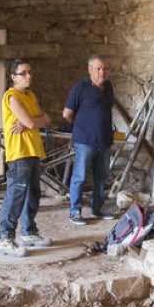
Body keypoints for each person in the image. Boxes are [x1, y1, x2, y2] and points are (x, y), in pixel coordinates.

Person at [0, 58, 53, 257]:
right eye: (23, 73)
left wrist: (31, 121)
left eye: (29, 72)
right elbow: (31, 122)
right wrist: (30, 122)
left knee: (33, 193)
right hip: (19, 152)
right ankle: (6, 237)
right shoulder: (12, 96)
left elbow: (46, 119)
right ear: (13, 77)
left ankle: (29, 232)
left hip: (33, 150)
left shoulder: (30, 95)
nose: (28, 76)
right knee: (16, 195)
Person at [63, 55, 115, 225]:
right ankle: (75, 212)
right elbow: (67, 114)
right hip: (85, 141)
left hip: (104, 140)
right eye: (98, 69)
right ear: (90, 70)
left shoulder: (108, 87)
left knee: (101, 176)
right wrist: (82, 126)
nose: (102, 72)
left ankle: (97, 208)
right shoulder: (80, 87)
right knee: (79, 176)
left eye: (104, 69)